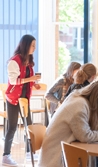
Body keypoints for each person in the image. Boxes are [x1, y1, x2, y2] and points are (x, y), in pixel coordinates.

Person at [38, 79, 98, 167]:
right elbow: (85, 136)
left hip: (63, 152)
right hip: (56, 159)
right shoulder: (79, 107)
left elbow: (89, 128)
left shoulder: (79, 99)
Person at [2, 34, 41, 167]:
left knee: (29, 126)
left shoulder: (28, 60)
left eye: (35, 45)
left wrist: (33, 83)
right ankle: (6, 156)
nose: (34, 48)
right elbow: (14, 81)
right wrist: (30, 80)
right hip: (13, 98)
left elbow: (27, 77)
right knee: (12, 127)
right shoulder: (14, 61)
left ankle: (30, 152)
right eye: (33, 45)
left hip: (24, 98)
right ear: (26, 45)